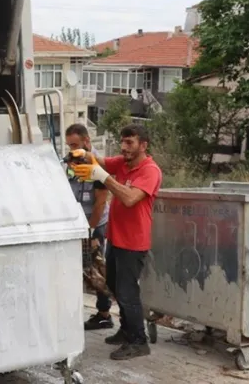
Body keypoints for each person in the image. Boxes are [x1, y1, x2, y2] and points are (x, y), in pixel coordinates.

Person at [69, 123, 162, 361]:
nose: (124, 147)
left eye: (130, 143)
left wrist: (103, 177)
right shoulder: (122, 162)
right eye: (122, 142)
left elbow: (130, 198)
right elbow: (98, 160)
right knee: (113, 284)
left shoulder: (150, 171)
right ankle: (126, 329)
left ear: (143, 145)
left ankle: (138, 341)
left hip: (134, 242)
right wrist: (81, 154)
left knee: (128, 292)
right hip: (117, 238)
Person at [63, 124, 113, 331]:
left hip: (94, 225)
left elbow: (100, 202)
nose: (71, 149)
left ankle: (104, 314)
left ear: (86, 141)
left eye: (75, 144)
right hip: (76, 224)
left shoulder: (97, 165)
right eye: (69, 145)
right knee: (76, 271)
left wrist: (90, 230)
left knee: (96, 272)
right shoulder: (70, 163)